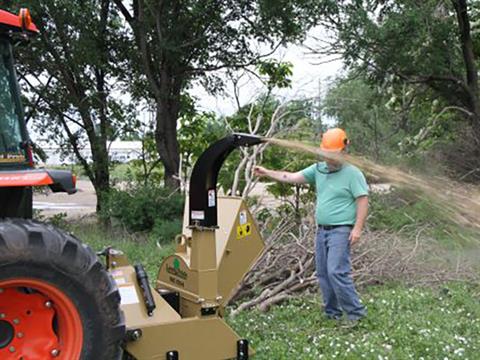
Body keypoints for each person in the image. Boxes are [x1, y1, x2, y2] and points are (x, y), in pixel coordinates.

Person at [253, 128, 368, 326]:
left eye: (334, 155)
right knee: (323, 273)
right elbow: (291, 177)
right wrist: (267, 173)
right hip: (321, 230)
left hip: (341, 230)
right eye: (327, 155)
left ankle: (356, 315)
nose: (330, 159)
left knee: (336, 271)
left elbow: (362, 200)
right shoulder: (318, 170)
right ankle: (332, 313)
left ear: (344, 151)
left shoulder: (353, 174)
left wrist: (357, 229)